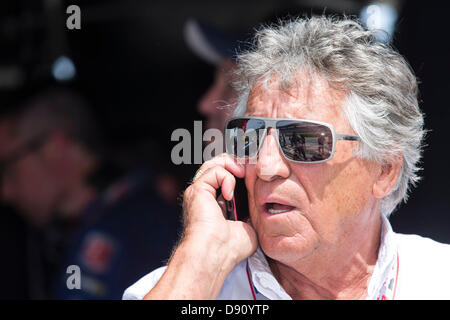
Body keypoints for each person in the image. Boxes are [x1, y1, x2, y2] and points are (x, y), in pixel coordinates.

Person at [123, 16, 450, 300]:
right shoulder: (190, 285)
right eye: (248, 138)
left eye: (304, 141)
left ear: (384, 170)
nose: (265, 167)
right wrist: (199, 261)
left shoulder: (438, 279)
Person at [0, 87, 180, 299]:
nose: (5, 192)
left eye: (7, 168)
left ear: (56, 147)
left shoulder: (124, 230)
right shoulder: (140, 203)